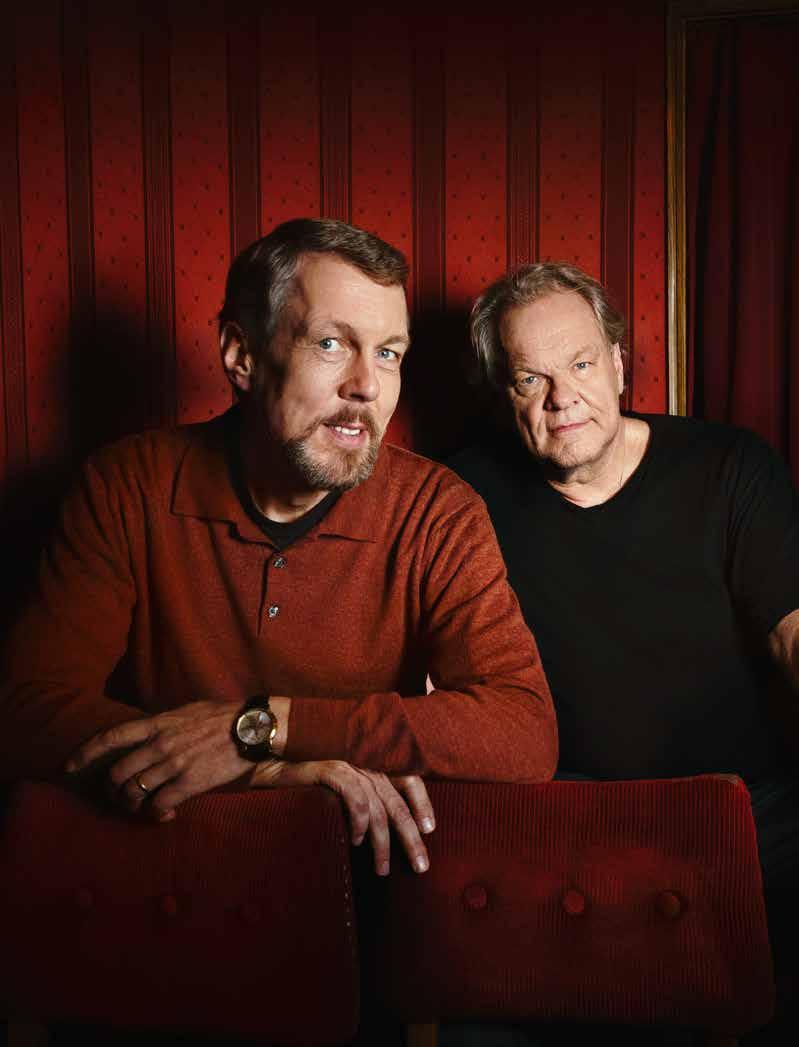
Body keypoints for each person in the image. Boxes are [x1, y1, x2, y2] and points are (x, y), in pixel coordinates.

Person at [0, 219, 557, 880]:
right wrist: (266, 770)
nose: (367, 385)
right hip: (163, 872)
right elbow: (26, 712)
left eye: (388, 353)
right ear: (242, 356)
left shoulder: (438, 511)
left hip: (356, 875)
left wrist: (265, 726)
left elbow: (522, 730)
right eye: (331, 343)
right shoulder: (127, 485)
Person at [449, 263, 799, 1036]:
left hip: (742, 811)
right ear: (503, 394)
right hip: (563, 818)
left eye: (579, 364)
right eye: (530, 378)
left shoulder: (728, 466)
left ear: (616, 362)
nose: (561, 397)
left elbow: (792, 635)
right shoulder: (461, 498)